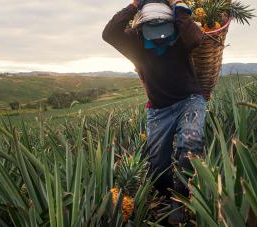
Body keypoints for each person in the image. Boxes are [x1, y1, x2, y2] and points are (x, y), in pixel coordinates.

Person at [102, 0, 206, 224]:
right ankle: (169, 196)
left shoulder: (181, 34)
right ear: (140, 27)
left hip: (190, 100)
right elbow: (109, 33)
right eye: (152, 27)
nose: (159, 35)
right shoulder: (134, 42)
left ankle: (181, 198)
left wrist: (178, 7)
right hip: (158, 111)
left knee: (191, 141)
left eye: (162, 26)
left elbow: (197, 38)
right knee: (158, 165)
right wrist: (134, 6)